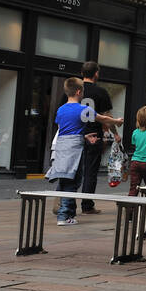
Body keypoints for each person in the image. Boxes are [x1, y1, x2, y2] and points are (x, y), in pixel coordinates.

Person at [75, 61, 123, 215]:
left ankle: (66, 202)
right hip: (94, 136)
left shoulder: (74, 90)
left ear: (82, 73)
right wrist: (115, 133)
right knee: (90, 171)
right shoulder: (101, 92)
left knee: (72, 170)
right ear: (96, 73)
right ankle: (87, 205)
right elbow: (107, 117)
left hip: (76, 135)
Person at [47, 78, 88, 225]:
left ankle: (67, 213)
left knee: (66, 180)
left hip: (60, 147)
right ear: (78, 92)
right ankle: (63, 215)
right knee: (72, 181)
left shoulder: (61, 109)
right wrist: (115, 122)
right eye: (83, 91)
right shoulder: (82, 109)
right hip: (73, 149)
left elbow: (63, 128)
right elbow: (100, 118)